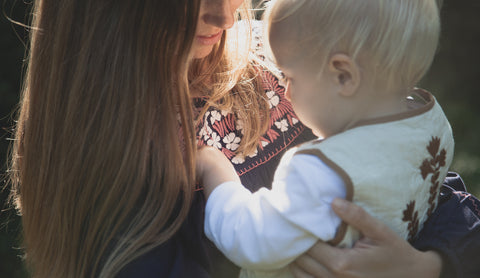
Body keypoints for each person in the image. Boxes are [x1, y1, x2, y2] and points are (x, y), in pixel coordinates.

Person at [8, 0, 479, 277]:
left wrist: (426, 267)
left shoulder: (287, 60)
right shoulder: (103, 163)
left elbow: (428, 190)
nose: (225, 14)